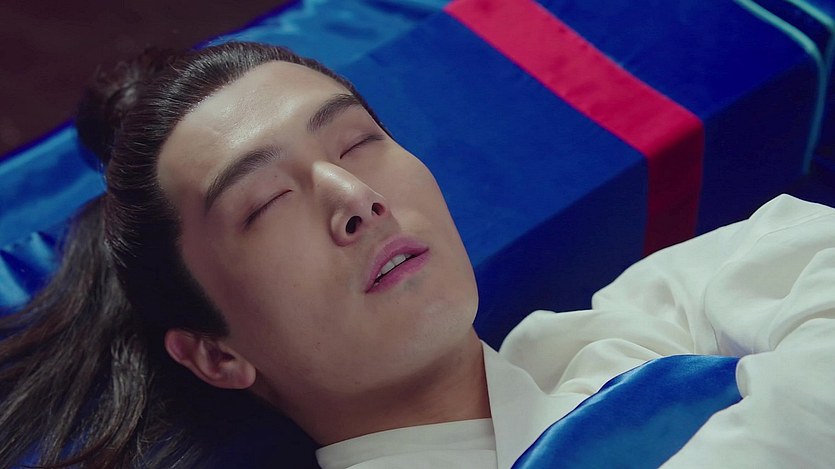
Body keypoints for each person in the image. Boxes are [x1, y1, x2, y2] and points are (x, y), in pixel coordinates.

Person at [0, 41, 833, 469]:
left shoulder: (659, 309)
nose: (353, 197)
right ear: (217, 354)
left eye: (357, 141)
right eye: (266, 202)